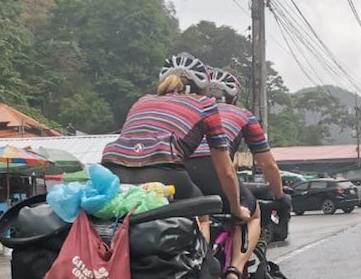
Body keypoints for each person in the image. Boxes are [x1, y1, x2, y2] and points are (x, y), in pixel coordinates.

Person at [100, 53, 250, 237]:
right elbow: (226, 170)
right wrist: (236, 209)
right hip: (163, 171)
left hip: (114, 172)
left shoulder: (142, 101)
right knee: (202, 211)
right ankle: (202, 262)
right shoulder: (206, 105)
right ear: (203, 88)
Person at [187, 66, 290, 279]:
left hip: (182, 170)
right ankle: (235, 270)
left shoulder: (189, 108)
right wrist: (280, 197)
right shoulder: (243, 115)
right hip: (213, 170)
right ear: (233, 98)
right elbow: (268, 165)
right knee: (249, 213)